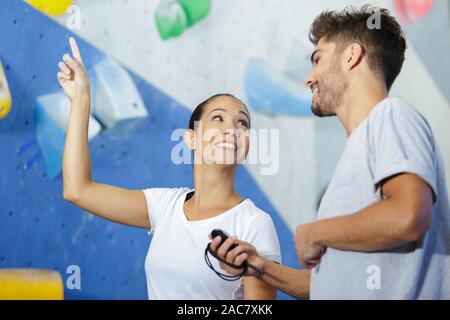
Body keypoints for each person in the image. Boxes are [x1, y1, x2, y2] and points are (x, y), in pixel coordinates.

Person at [210, 5, 450, 299]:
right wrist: (259, 266)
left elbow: (409, 215)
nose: (309, 78)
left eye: (317, 60)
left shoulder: (391, 115)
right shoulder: (357, 154)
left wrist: (316, 232)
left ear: (351, 56)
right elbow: (324, 286)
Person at [57, 37, 281, 299]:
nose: (231, 129)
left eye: (242, 123)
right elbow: (77, 190)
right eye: (218, 118)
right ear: (191, 139)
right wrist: (80, 100)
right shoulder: (165, 206)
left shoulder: (254, 223)